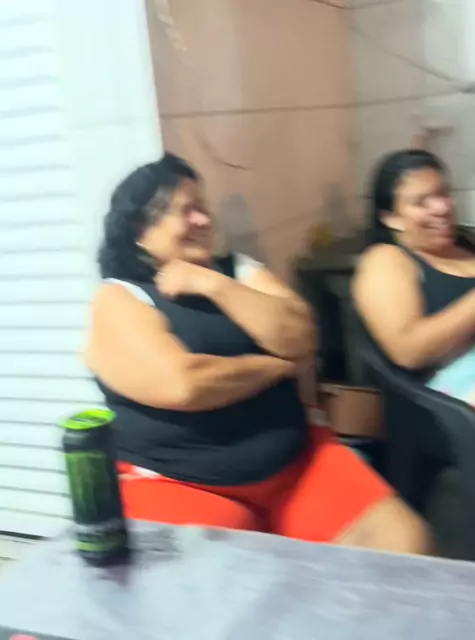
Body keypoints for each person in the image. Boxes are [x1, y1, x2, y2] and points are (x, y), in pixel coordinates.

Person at [85, 152, 430, 554]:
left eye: (204, 207)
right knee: (240, 576)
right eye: (187, 210)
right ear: (140, 230)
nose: (204, 219)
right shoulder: (119, 297)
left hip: (297, 464)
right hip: (180, 481)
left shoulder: (237, 270)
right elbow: (187, 383)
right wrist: (275, 366)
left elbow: (301, 334)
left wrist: (213, 284)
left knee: (405, 543)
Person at [353, 149, 475, 407]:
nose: (442, 208)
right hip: (453, 413)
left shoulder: (467, 245)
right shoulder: (386, 259)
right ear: (390, 218)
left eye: (444, 193)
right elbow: (408, 351)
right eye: (421, 202)